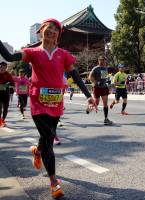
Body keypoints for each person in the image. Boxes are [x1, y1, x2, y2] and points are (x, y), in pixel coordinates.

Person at [0, 18, 96, 199]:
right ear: (41, 31)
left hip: (56, 102)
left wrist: (88, 96)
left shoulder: (63, 54)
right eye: (48, 28)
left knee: (48, 136)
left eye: (55, 29)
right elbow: (10, 57)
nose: (52, 31)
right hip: (38, 101)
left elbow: (75, 75)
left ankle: (37, 151)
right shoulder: (32, 53)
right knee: (48, 139)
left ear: (58, 35)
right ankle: (53, 181)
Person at [88, 55, 113, 125]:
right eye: (101, 60)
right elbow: (90, 77)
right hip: (97, 88)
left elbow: (104, 78)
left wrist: (105, 84)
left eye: (104, 60)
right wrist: (96, 82)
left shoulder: (105, 68)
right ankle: (89, 107)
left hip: (104, 87)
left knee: (105, 103)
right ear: (98, 61)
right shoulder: (95, 68)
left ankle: (106, 119)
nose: (102, 61)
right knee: (97, 103)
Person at [0, 61, 14, 127]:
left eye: (4, 67)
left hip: (6, 94)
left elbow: (12, 83)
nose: (2, 69)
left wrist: (7, 84)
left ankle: (3, 120)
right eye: (1, 67)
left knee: (5, 108)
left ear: (6, 68)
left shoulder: (8, 74)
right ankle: (1, 121)